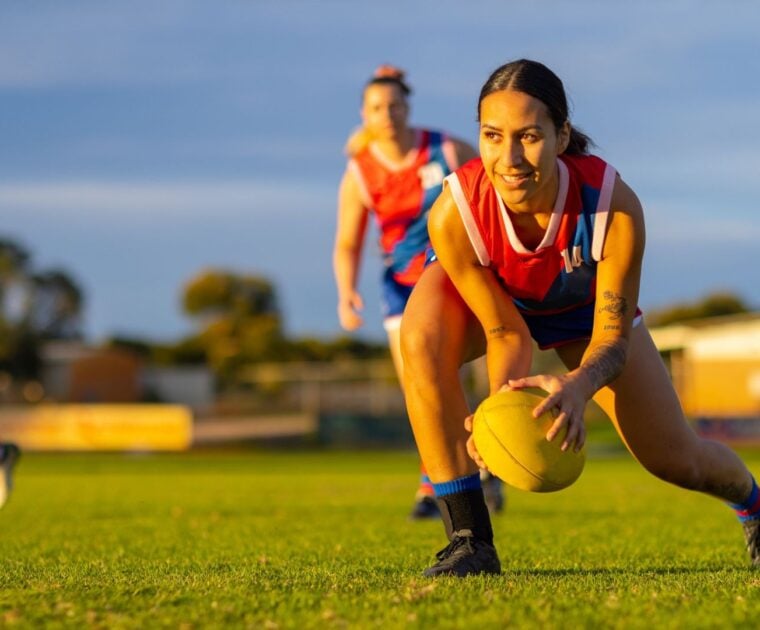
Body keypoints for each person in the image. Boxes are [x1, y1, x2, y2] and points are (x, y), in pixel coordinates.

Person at [400, 58, 760, 576]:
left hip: (585, 323)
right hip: (505, 310)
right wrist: (501, 406)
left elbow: (612, 341)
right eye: (492, 136)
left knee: (676, 459)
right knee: (420, 339)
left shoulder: (612, 207)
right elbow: (505, 331)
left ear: (562, 134)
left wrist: (576, 385)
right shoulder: (455, 212)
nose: (509, 158)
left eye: (528, 136)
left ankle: (753, 503)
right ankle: (469, 539)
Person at [333, 65, 505, 519]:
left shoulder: (446, 149)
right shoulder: (360, 172)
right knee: (420, 383)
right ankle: (437, 481)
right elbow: (348, 241)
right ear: (363, 114)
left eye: (394, 105)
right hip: (401, 287)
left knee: (462, 377)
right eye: (376, 107)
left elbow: (492, 186)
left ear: (407, 108)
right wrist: (345, 290)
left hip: (455, 273)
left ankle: (485, 466)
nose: (386, 114)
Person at [0, 442, 20, 508]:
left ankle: (6, 491)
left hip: (2, 466)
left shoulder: (4, 448)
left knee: (4, 479)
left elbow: (3, 457)